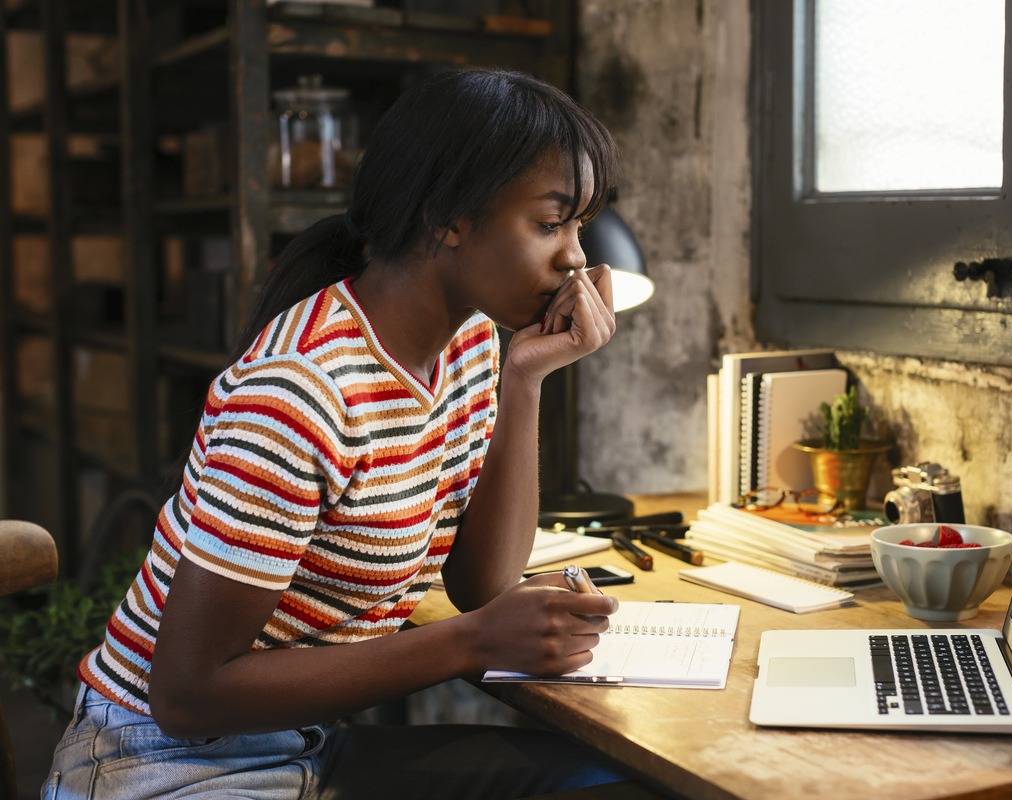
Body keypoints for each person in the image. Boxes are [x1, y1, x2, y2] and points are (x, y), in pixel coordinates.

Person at [44, 69, 626, 800]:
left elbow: (481, 585)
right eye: (550, 223)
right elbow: (187, 694)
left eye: (578, 226)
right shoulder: (301, 392)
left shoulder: (472, 344)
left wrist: (526, 381)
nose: (575, 256)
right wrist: (469, 644)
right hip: (164, 762)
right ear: (447, 216)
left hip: (302, 745)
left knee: (603, 784)